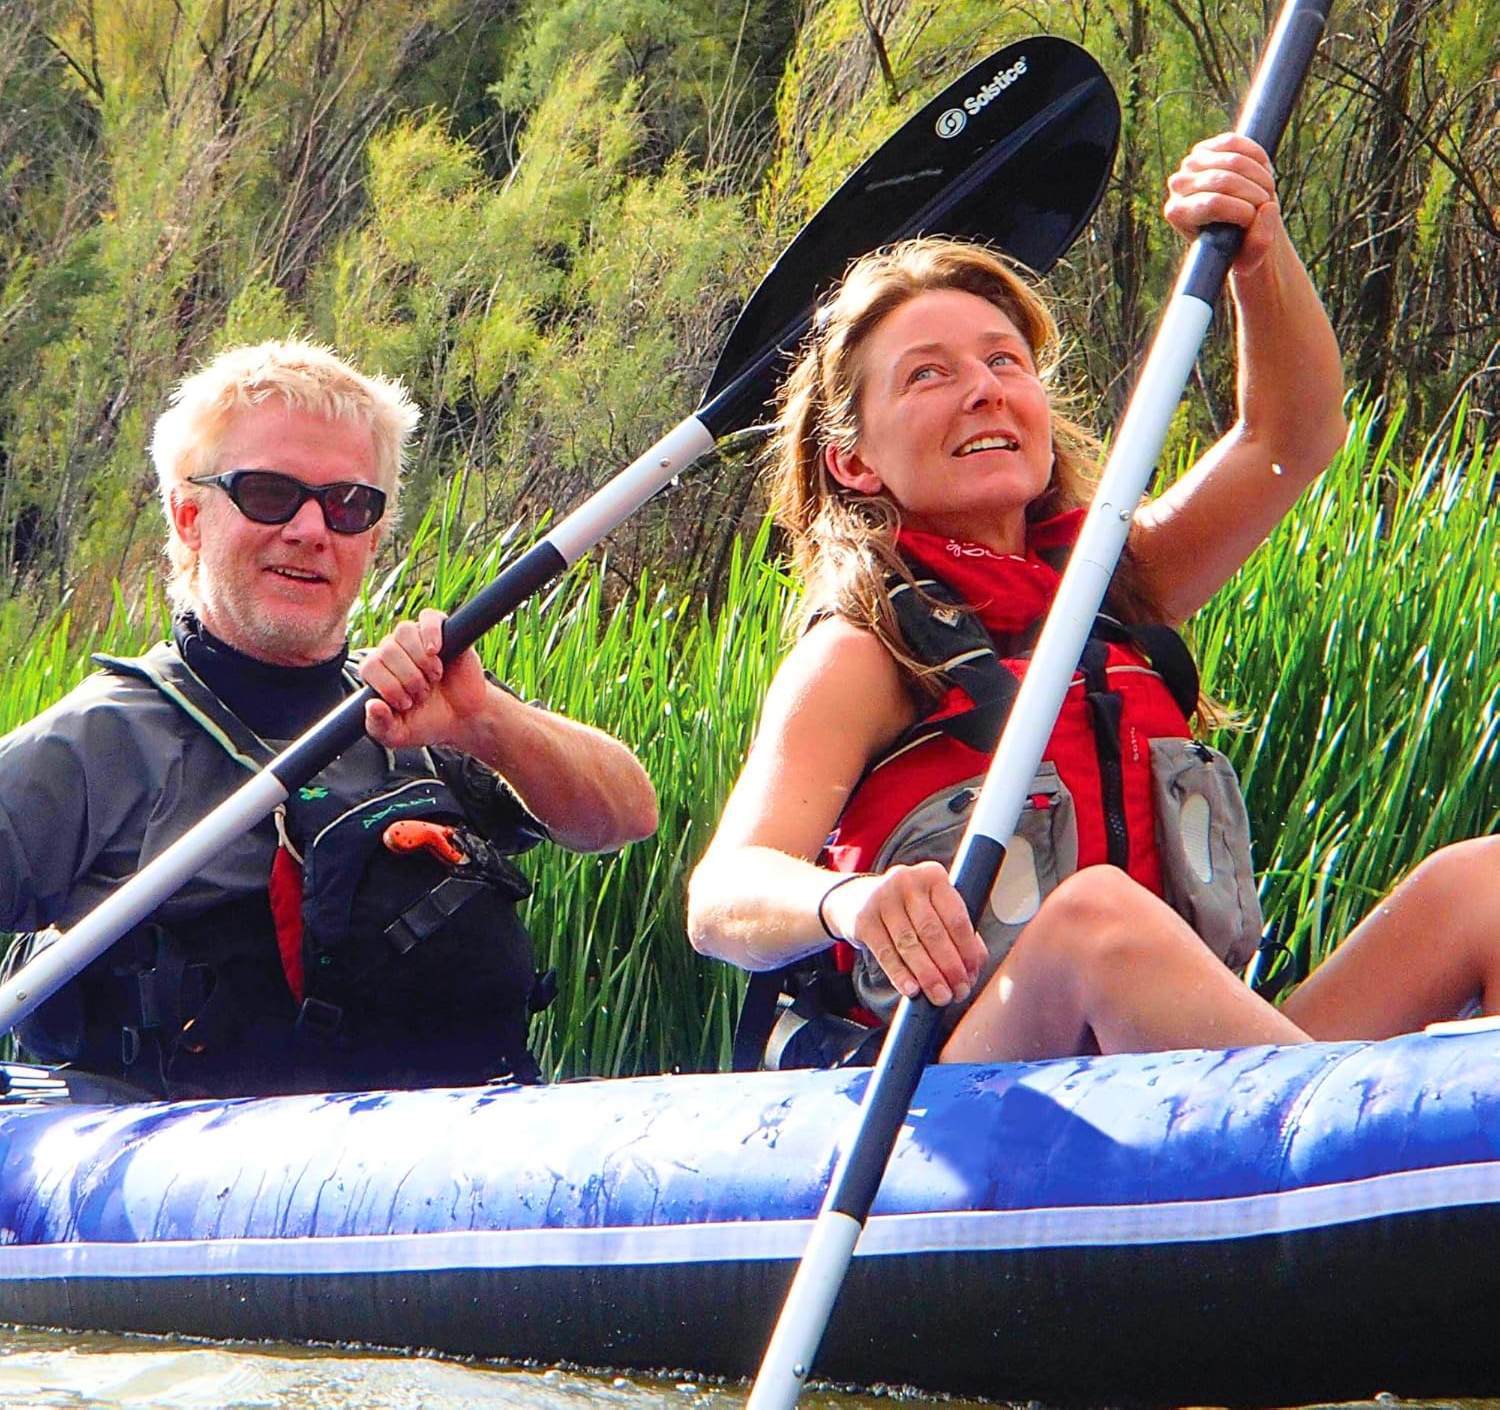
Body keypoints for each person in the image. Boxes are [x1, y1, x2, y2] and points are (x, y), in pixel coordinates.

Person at [688, 133, 1500, 1067]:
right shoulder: (866, 649)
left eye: (1003, 361)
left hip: (1182, 1077)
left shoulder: (1116, 583)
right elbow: (722, 899)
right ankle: (1313, 1149)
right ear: (852, 459)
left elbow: (1294, 431)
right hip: (981, 1092)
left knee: (1484, 885)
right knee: (1094, 921)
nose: (983, 392)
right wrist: (847, 902)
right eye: (928, 374)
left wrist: (1259, 253)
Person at [0, 339, 657, 1097]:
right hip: (209, 1194)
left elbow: (623, 817)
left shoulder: (428, 709)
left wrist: (482, 722)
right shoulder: (98, 745)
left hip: (458, 1170)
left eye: (348, 505)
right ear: (189, 519)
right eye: (270, 494)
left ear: (372, 538)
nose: (312, 529)